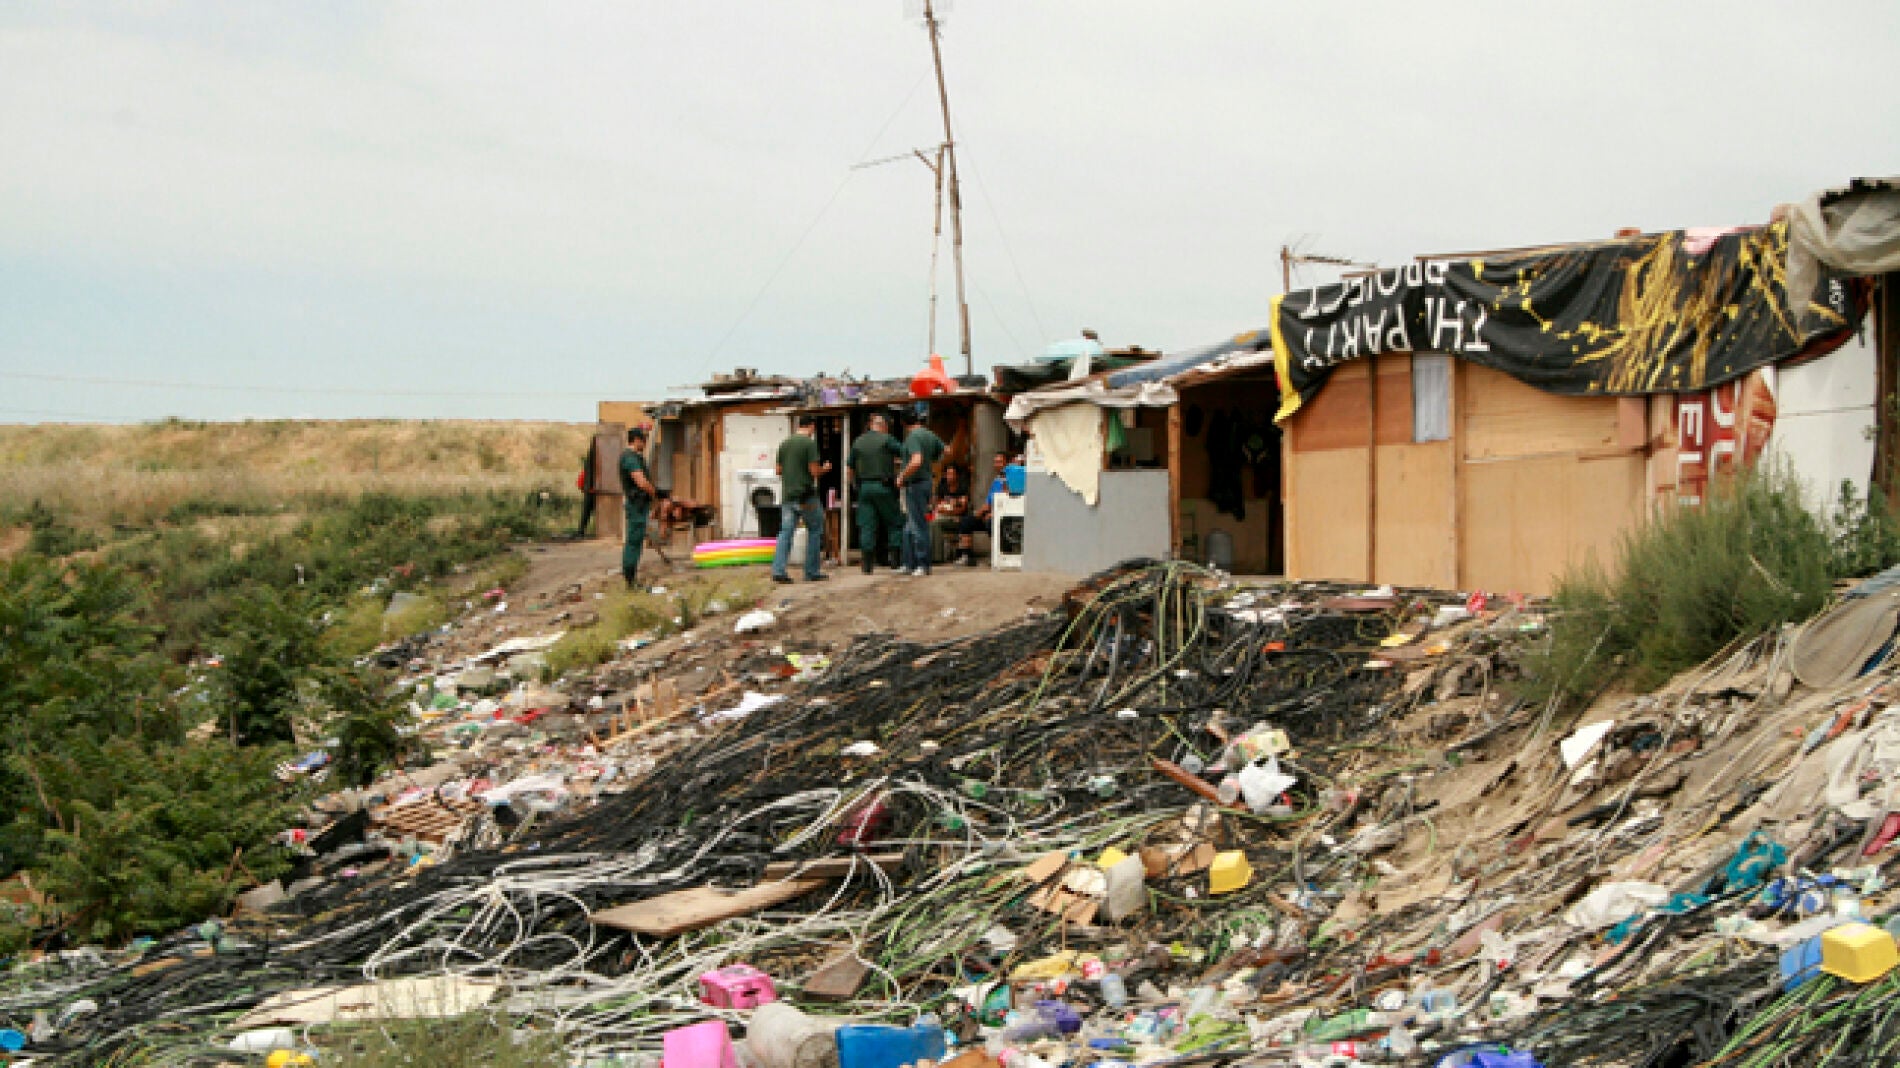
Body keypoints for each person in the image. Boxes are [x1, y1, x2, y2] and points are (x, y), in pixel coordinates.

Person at [771, 415, 831, 584]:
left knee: (785, 533)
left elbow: (778, 470)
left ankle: (778, 570)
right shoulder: (809, 444)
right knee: (814, 530)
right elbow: (814, 472)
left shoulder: (785, 443)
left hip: (788, 496)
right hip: (806, 497)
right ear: (811, 426)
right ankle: (811, 571)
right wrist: (825, 469)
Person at [847, 413, 904, 574]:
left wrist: (855, 487)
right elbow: (905, 452)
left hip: (864, 488)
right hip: (884, 487)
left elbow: (850, 468)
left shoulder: (858, 441)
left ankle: (867, 565)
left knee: (867, 526)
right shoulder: (887, 439)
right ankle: (895, 561)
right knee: (894, 522)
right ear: (884, 426)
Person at [896, 409, 945, 577]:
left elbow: (916, 460)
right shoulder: (930, 435)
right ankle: (909, 563)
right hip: (925, 482)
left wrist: (902, 474)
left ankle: (923, 565)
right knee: (910, 526)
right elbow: (946, 451)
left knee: (918, 525)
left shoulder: (913, 437)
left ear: (903, 423)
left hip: (915, 484)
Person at [954, 450, 1009, 567]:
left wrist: (994, 513)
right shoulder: (996, 480)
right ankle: (967, 556)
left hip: (1001, 514)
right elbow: (988, 502)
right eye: (995, 462)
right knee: (966, 522)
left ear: (1006, 463)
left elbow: (1008, 501)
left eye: (1000, 462)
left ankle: (995, 555)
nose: (997, 464)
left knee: (991, 523)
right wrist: (979, 513)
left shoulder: (1009, 480)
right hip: (989, 512)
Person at [618, 426, 657, 588]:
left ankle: (631, 577)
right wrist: (654, 492)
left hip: (639, 504)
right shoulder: (630, 458)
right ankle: (630, 579)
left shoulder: (633, 457)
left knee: (636, 540)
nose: (645, 444)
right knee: (634, 541)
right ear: (636, 440)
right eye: (643, 441)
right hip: (637, 505)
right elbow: (640, 481)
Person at [930, 466, 970, 567]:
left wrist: (948, 510)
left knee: (935, 522)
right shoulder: (942, 486)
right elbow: (936, 504)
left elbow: (962, 508)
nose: (949, 477)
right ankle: (930, 554)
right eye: (947, 474)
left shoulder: (962, 487)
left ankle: (937, 557)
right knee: (929, 520)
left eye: (952, 474)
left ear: (956, 475)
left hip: (958, 519)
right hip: (943, 516)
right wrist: (946, 507)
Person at [575, 437, 599, 538]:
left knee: (586, 512)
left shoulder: (591, 457)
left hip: (590, 489)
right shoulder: (597, 456)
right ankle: (582, 531)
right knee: (589, 512)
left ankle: (581, 531)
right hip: (592, 489)